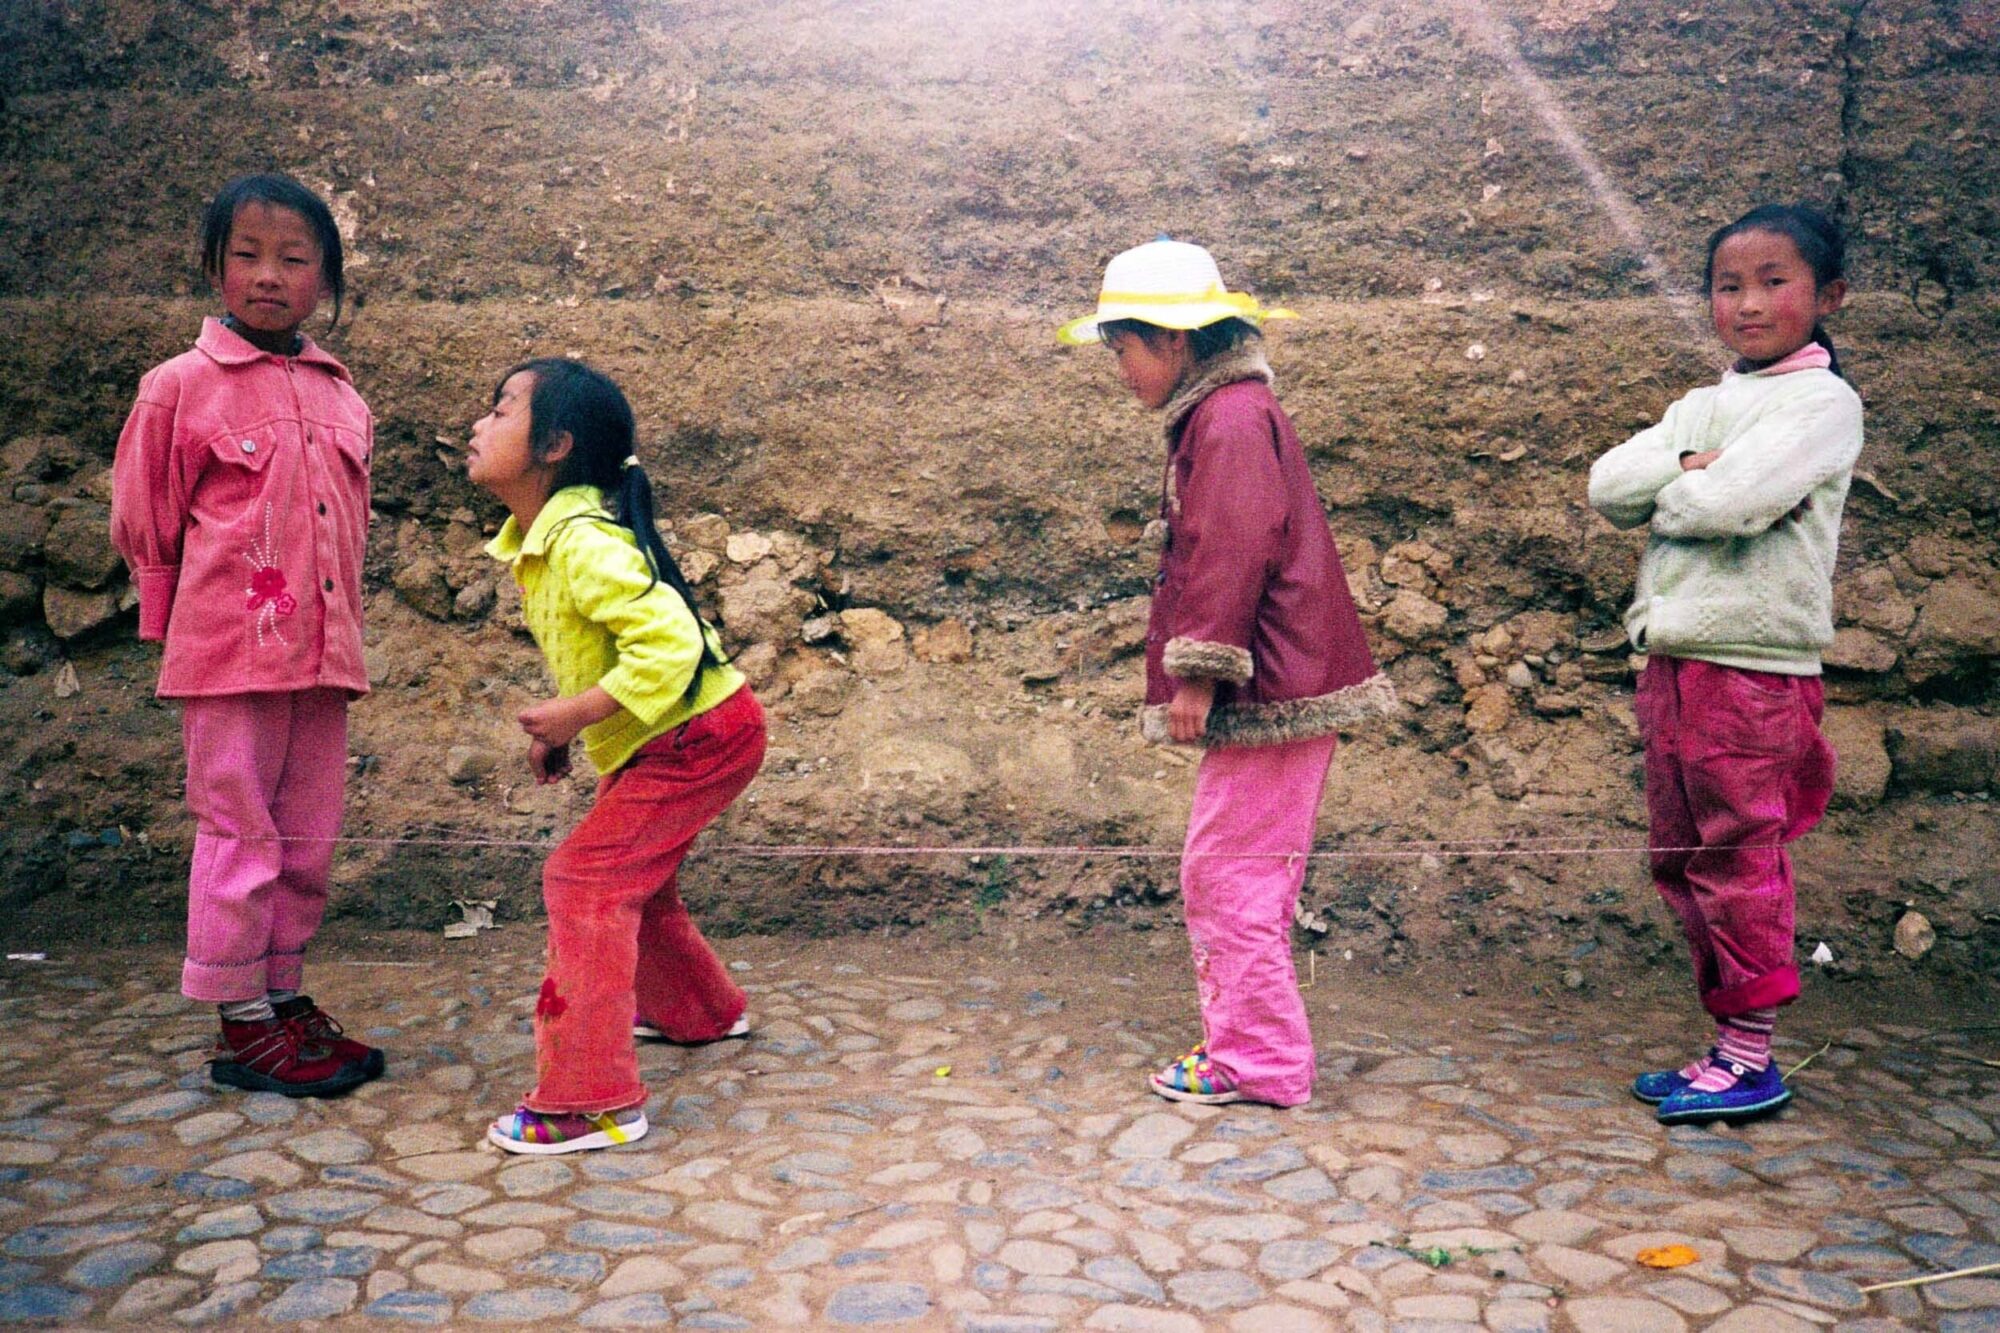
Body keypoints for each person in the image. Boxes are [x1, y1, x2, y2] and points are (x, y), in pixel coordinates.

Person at [1058, 239, 1398, 1107]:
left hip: (1268, 685)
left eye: (1123, 348)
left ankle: (1260, 1061)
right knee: (1236, 867)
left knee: (1229, 871)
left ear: (1175, 341)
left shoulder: (1232, 420)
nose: (1120, 369)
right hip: (1281, 677)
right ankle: (1254, 1046)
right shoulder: (1228, 413)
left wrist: (1199, 672)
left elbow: (1234, 545)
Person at [1588, 203, 1860, 1126]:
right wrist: (1687, 463)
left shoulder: (1823, 403)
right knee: (1683, 855)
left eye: (1773, 281)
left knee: (1740, 853)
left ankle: (1752, 1059)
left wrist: (1688, 478)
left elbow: (1730, 504)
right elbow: (1605, 486)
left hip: (1752, 672)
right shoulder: (1707, 404)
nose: (1747, 302)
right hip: (1674, 661)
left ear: (1828, 295)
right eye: (1727, 285)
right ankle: (1726, 1046)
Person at [110, 173, 381, 1097]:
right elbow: (145, 511)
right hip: (229, 654)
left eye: (296, 259)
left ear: (327, 280)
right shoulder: (177, 387)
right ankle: (240, 1018)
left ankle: (280, 993)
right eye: (247, 256)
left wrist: (344, 626)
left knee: (307, 835)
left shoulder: (344, 399)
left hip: (323, 656)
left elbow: (352, 525)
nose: (270, 275)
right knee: (240, 832)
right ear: (215, 269)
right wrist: (166, 621)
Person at [467, 357, 763, 1155]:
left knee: (584, 878)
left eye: (501, 411)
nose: (478, 425)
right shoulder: (549, 538)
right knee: (637, 881)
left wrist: (576, 713)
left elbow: (671, 645)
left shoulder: (581, 541)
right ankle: (702, 1013)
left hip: (697, 734)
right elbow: (615, 656)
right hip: (679, 732)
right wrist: (573, 729)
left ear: (556, 444)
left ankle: (590, 1099)